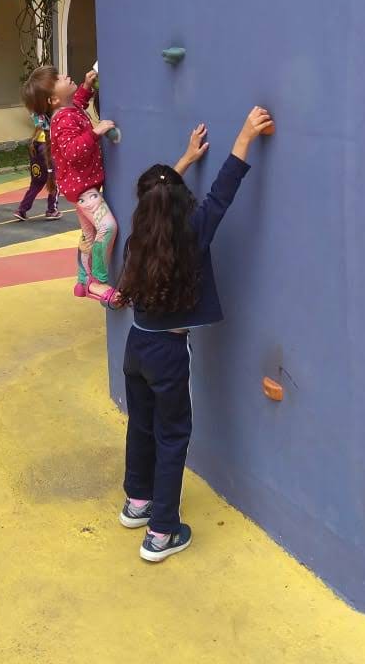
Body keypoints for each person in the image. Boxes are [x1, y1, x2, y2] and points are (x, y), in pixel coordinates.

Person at [114, 106, 274, 562]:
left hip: (136, 347)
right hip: (167, 354)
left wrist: (182, 160)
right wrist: (244, 135)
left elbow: (155, 195)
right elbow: (223, 191)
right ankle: (162, 532)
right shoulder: (193, 234)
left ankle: (137, 503)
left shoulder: (138, 239)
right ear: (182, 203)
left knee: (141, 426)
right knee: (172, 435)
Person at [20, 64, 118, 303]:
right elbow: (73, 152)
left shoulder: (66, 110)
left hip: (78, 188)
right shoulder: (61, 120)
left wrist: (85, 87)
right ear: (53, 98)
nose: (65, 75)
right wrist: (96, 132)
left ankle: (83, 280)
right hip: (86, 190)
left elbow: (78, 106)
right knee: (107, 228)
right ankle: (98, 281)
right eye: (58, 78)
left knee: (88, 235)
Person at [15, 69, 61, 222]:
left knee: (36, 182)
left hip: (36, 145)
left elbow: (39, 125)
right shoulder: (58, 114)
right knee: (54, 179)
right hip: (47, 146)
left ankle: (22, 209)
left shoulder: (37, 116)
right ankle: (51, 209)